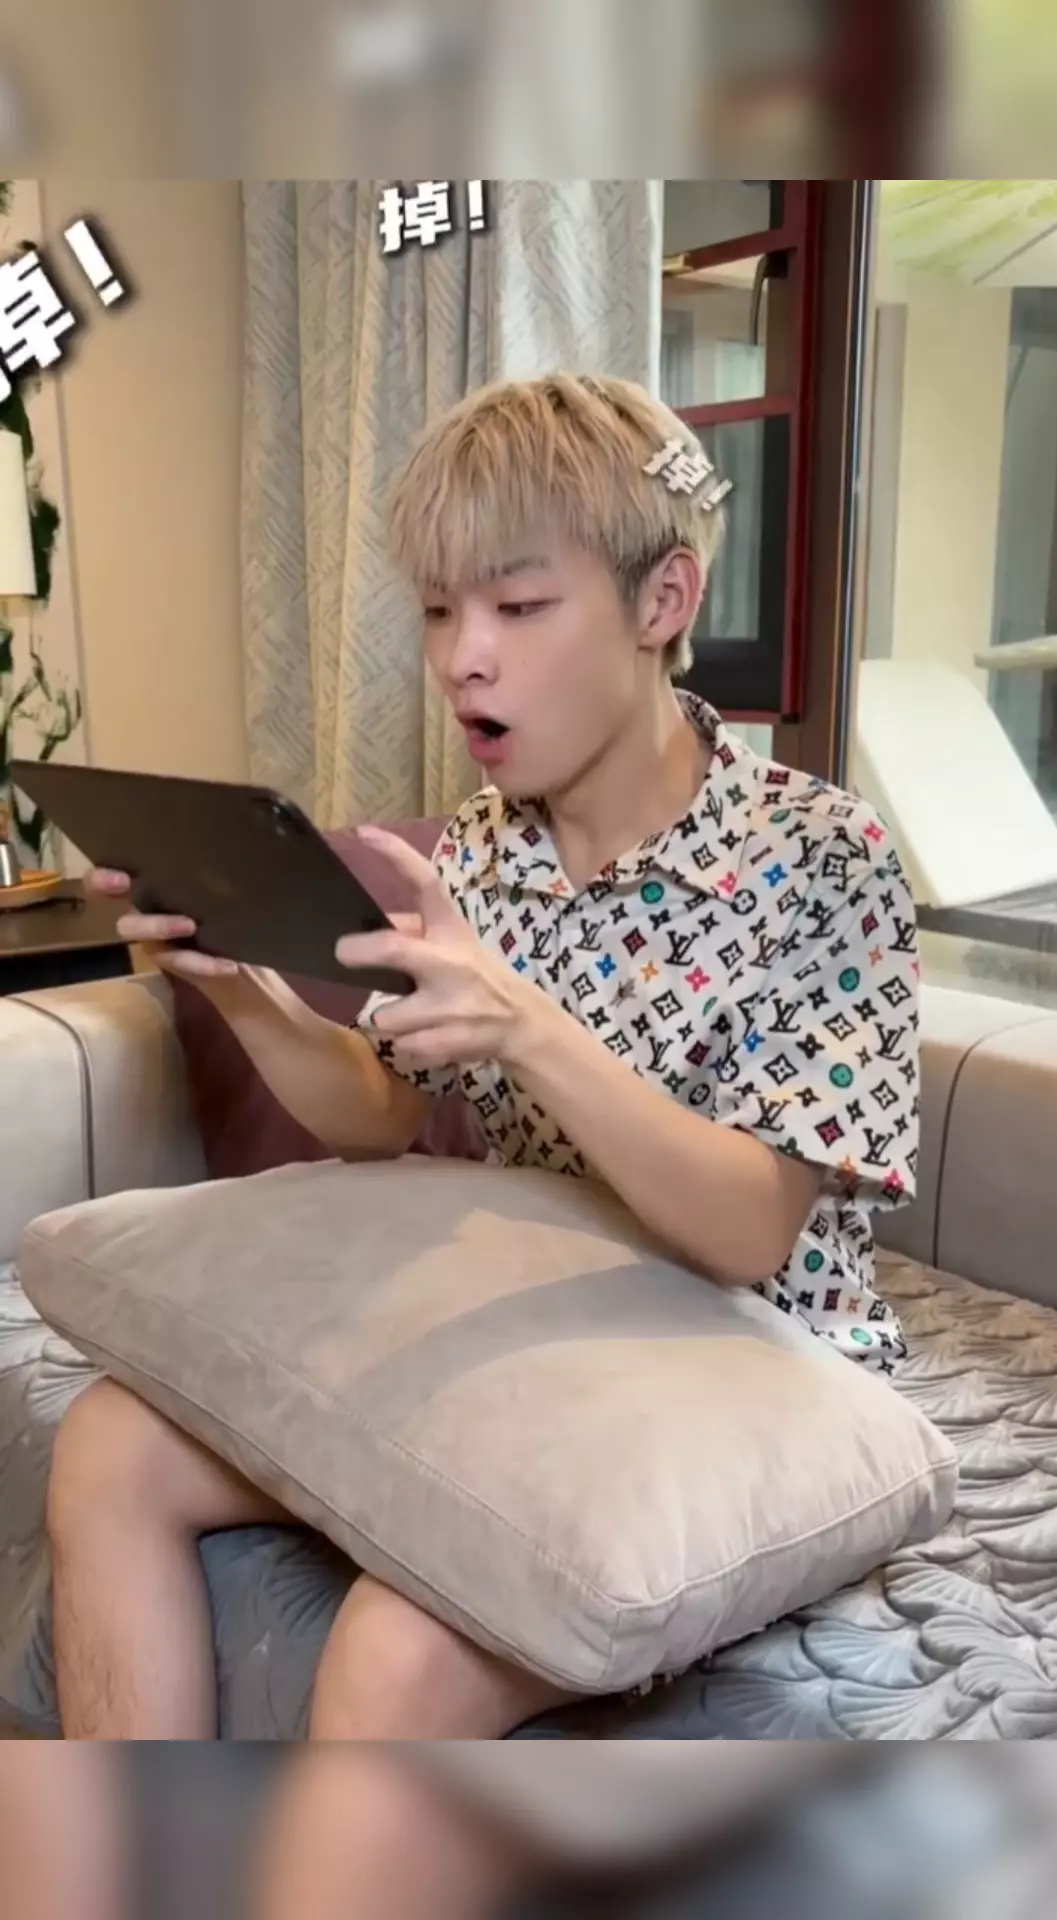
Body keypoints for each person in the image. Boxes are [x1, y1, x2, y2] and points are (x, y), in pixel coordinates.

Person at [46, 373, 920, 1754]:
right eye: (440, 611)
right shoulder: (481, 850)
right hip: (538, 1327)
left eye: (517, 607)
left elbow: (751, 1228)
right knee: (108, 1445)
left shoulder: (823, 856)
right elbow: (382, 1114)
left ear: (662, 601)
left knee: (398, 1645)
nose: (463, 659)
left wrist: (526, 1024)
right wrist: (246, 992)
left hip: (753, 1367)